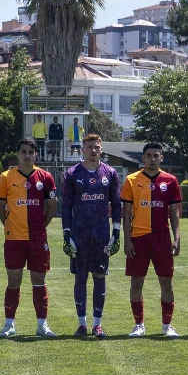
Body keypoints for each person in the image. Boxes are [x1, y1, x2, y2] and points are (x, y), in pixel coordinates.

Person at [62, 132, 121, 337]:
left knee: (99, 276)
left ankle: (97, 324)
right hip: (79, 233)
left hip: (101, 234)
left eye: (97, 147)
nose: (93, 150)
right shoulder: (72, 174)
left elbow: (116, 204)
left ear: (101, 149)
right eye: (89, 147)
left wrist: (116, 232)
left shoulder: (110, 173)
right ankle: (81, 324)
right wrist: (66, 234)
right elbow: (67, 205)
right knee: (80, 277)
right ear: (82, 149)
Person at [121, 141, 183, 337]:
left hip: (162, 238)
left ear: (161, 158)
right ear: (143, 158)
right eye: (149, 155)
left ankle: (167, 325)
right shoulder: (131, 180)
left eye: (156, 156)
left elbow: (174, 213)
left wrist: (176, 238)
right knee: (136, 282)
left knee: (166, 282)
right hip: (138, 238)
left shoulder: (170, 180)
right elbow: (126, 213)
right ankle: (139, 324)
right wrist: (127, 239)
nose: (153, 159)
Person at [0, 137, 59, 337]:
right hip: (14, 238)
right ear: (18, 154)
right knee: (13, 281)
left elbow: (51, 207)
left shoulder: (46, 177)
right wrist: (9, 225)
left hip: (37, 238)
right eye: (23, 152)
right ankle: (9, 325)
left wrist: (41, 226)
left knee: (38, 281)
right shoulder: (6, 177)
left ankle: (42, 325)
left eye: (30, 152)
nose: (26, 156)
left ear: (36, 155)